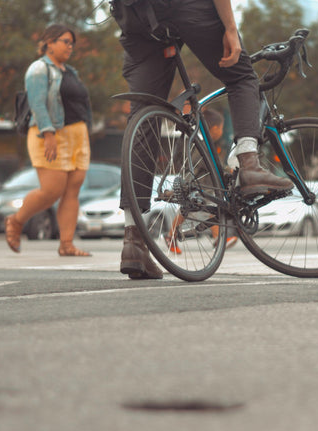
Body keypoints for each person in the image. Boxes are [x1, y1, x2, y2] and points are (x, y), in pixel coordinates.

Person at [112, 0, 293, 279]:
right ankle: (249, 164)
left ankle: (133, 241)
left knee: (144, 114)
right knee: (242, 76)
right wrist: (230, 28)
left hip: (134, 15)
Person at [4, 24, 93, 256]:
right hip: (51, 133)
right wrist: (48, 133)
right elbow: (37, 103)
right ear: (49, 43)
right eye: (65, 41)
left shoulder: (71, 71)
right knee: (52, 190)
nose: (69, 46)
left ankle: (66, 244)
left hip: (77, 135)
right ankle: (16, 220)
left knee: (72, 190)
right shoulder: (39, 68)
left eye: (72, 43)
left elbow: (81, 102)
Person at [164, 108, 237, 254]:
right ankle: (219, 238)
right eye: (221, 128)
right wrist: (226, 171)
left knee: (188, 211)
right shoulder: (203, 146)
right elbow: (207, 165)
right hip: (197, 185)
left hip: (200, 184)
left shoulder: (200, 143)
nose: (222, 132)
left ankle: (171, 237)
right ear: (215, 129)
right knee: (210, 209)